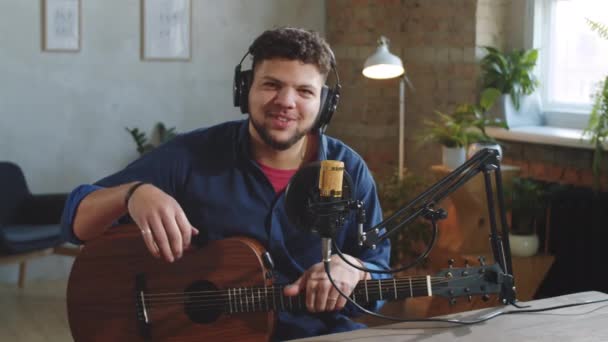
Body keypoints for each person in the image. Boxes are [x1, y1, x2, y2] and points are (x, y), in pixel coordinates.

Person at [61, 27, 390, 341]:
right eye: (271, 84)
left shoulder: (348, 170)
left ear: (325, 104)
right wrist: (132, 194)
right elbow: (75, 222)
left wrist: (356, 268)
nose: (286, 101)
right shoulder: (192, 155)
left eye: (305, 91)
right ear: (244, 89)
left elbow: (379, 273)